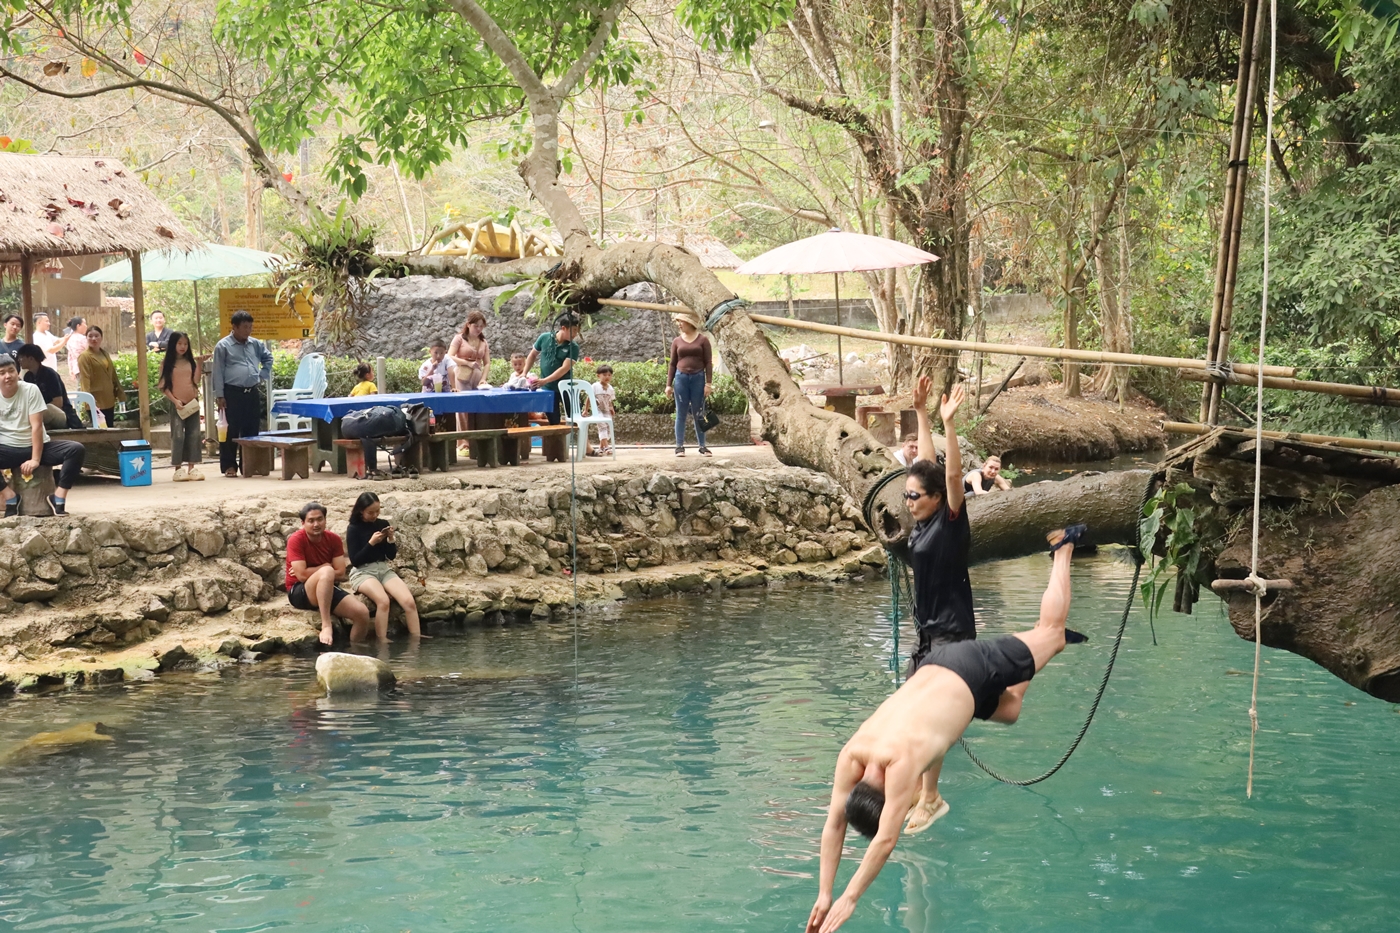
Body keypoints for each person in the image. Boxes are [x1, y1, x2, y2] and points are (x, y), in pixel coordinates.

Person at [804, 525, 1087, 933]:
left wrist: (848, 899)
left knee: (1052, 634)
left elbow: (885, 840)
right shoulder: (853, 755)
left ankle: (1064, 548)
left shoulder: (899, 767)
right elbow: (835, 822)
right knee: (1009, 711)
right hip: (940, 670)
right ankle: (1029, 655)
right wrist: (823, 893)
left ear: (889, 800)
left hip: (970, 668)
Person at [0, 352, 85, 517]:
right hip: (9, 449)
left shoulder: (30, 390)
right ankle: (10, 496)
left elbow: (37, 426)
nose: (8, 376)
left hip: (38, 447)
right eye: (2, 373)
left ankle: (59, 496)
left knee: (76, 449)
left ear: (18, 372)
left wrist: (35, 459)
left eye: (11, 370)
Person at [285, 501, 372, 646]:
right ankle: (326, 625)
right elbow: (301, 576)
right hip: (300, 590)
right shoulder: (296, 540)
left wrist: (317, 570)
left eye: (320, 519)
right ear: (303, 523)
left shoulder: (334, 539)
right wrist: (325, 566)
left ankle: (355, 651)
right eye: (311, 521)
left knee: (362, 613)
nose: (316, 524)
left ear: (325, 520)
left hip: (327, 586)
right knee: (327, 571)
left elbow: (341, 572)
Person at [345, 492, 424, 641]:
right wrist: (371, 543)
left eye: (377, 511)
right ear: (361, 511)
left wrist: (391, 538)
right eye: (370, 512)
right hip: (363, 572)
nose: (375, 515)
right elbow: (355, 560)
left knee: (408, 601)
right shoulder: (353, 528)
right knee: (383, 601)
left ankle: (417, 638)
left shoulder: (382, 524)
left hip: (383, 569)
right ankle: (382, 640)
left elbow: (391, 556)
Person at [212, 310, 273, 478]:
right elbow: (218, 371)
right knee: (230, 431)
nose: (248, 330)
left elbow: (268, 358)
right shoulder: (223, 346)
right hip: (232, 393)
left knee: (251, 429)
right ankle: (229, 466)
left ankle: (248, 465)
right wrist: (220, 396)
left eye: (250, 327)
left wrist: (262, 374)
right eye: (245, 327)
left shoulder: (256, 344)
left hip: (251, 391)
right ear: (235, 327)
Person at [157, 332, 204, 481]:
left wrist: (200, 364)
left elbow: (196, 380)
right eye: (179, 343)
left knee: (194, 434)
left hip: (192, 403)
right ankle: (178, 468)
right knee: (177, 435)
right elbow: (163, 386)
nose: (183, 347)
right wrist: (175, 401)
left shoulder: (190, 362)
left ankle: (192, 467)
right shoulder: (166, 363)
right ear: (173, 345)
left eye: (185, 344)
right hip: (177, 404)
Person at [665, 314, 713, 457]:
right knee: (681, 412)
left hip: (698, 378)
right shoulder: (677, 341)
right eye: (679, 322)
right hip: (681, 378)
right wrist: (668, 385)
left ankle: (702, 446)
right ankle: (679, 446)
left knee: (699, 413)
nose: (679, 324)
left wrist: (708, 383)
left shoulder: (703, 340)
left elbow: (708, 362)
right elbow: (672, 364)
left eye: (682, 322)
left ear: (690, 323)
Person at [524, 312, 581, 425]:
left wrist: (544, 380)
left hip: (566, 388)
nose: (575, 334)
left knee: (575, 419)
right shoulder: (544, 338)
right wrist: (524, 373)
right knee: (554, 421)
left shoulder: (573, 347)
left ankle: (579, 437)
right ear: (563, 328)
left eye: (577, 331)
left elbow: (564, 368)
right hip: (548, 389)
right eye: (574, 330)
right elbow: (532, 355)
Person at [15, 343, 82, 429]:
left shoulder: (50, 374)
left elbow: (58, 403)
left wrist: (36, 410)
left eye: (21, 357)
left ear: (31, 359)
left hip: (62, 415)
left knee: (47, 409)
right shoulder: (28, 377)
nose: (19, 360)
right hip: (42, 416)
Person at [77, 326, 125, 428]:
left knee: (110, 427)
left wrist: (119, 392)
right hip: (95, 401)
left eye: (96, 336)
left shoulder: (105, 354)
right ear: (86, 338)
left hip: (109, 398)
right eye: (90, 336)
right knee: (100, 430)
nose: (93, 339)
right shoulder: (84, 357)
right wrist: (89, 401)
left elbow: (113, 375)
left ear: (101, 338)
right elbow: (85, 379)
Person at [588, 363, 616, 456]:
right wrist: (586, 410)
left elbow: (610, 400)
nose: (607, 377)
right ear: (598, 376)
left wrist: (611, 408)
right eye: (604, 375)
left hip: (606, 410)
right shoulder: (595, 386)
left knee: (608, 428)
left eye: (609, 375)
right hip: (597, 410)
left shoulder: (610, 388)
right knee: (602, 426)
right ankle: (607, 447)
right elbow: (589, 398)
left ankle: (601, 447)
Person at [64, 317, 89, 384]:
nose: (86, 326)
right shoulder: (83, 339)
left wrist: (71, 369)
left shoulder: (70, 339)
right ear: (78, 326)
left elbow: (70, 356)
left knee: (81, 386)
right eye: (84, 323)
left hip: (76, 367)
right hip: (85, 366)